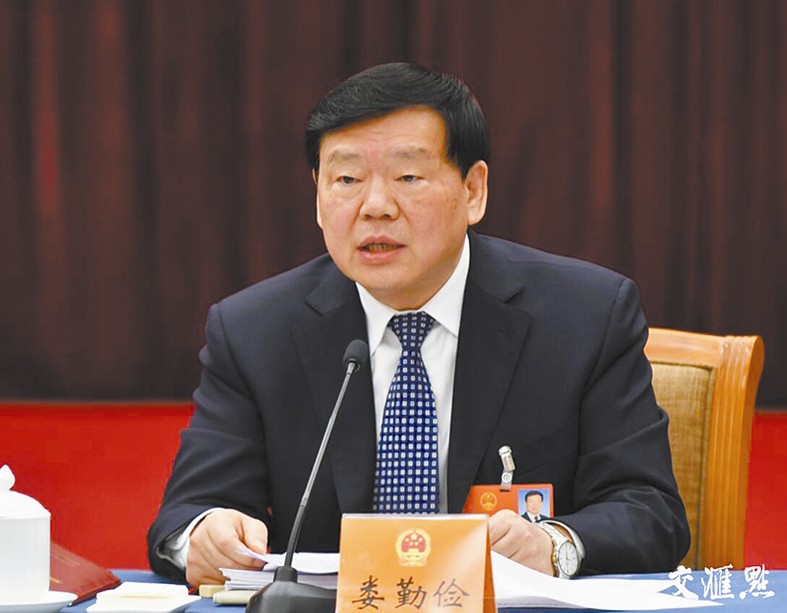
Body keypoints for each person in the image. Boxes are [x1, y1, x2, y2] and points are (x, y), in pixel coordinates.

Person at [148, 62, 690, 587]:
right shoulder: (253, 331)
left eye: (408, 176)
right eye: (346, 179)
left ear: (473, 191)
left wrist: (553, 544)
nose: (375, 206)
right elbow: (183, 517)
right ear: (318, 195)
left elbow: (650, 512)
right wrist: (206, 536)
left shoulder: (585, 317)